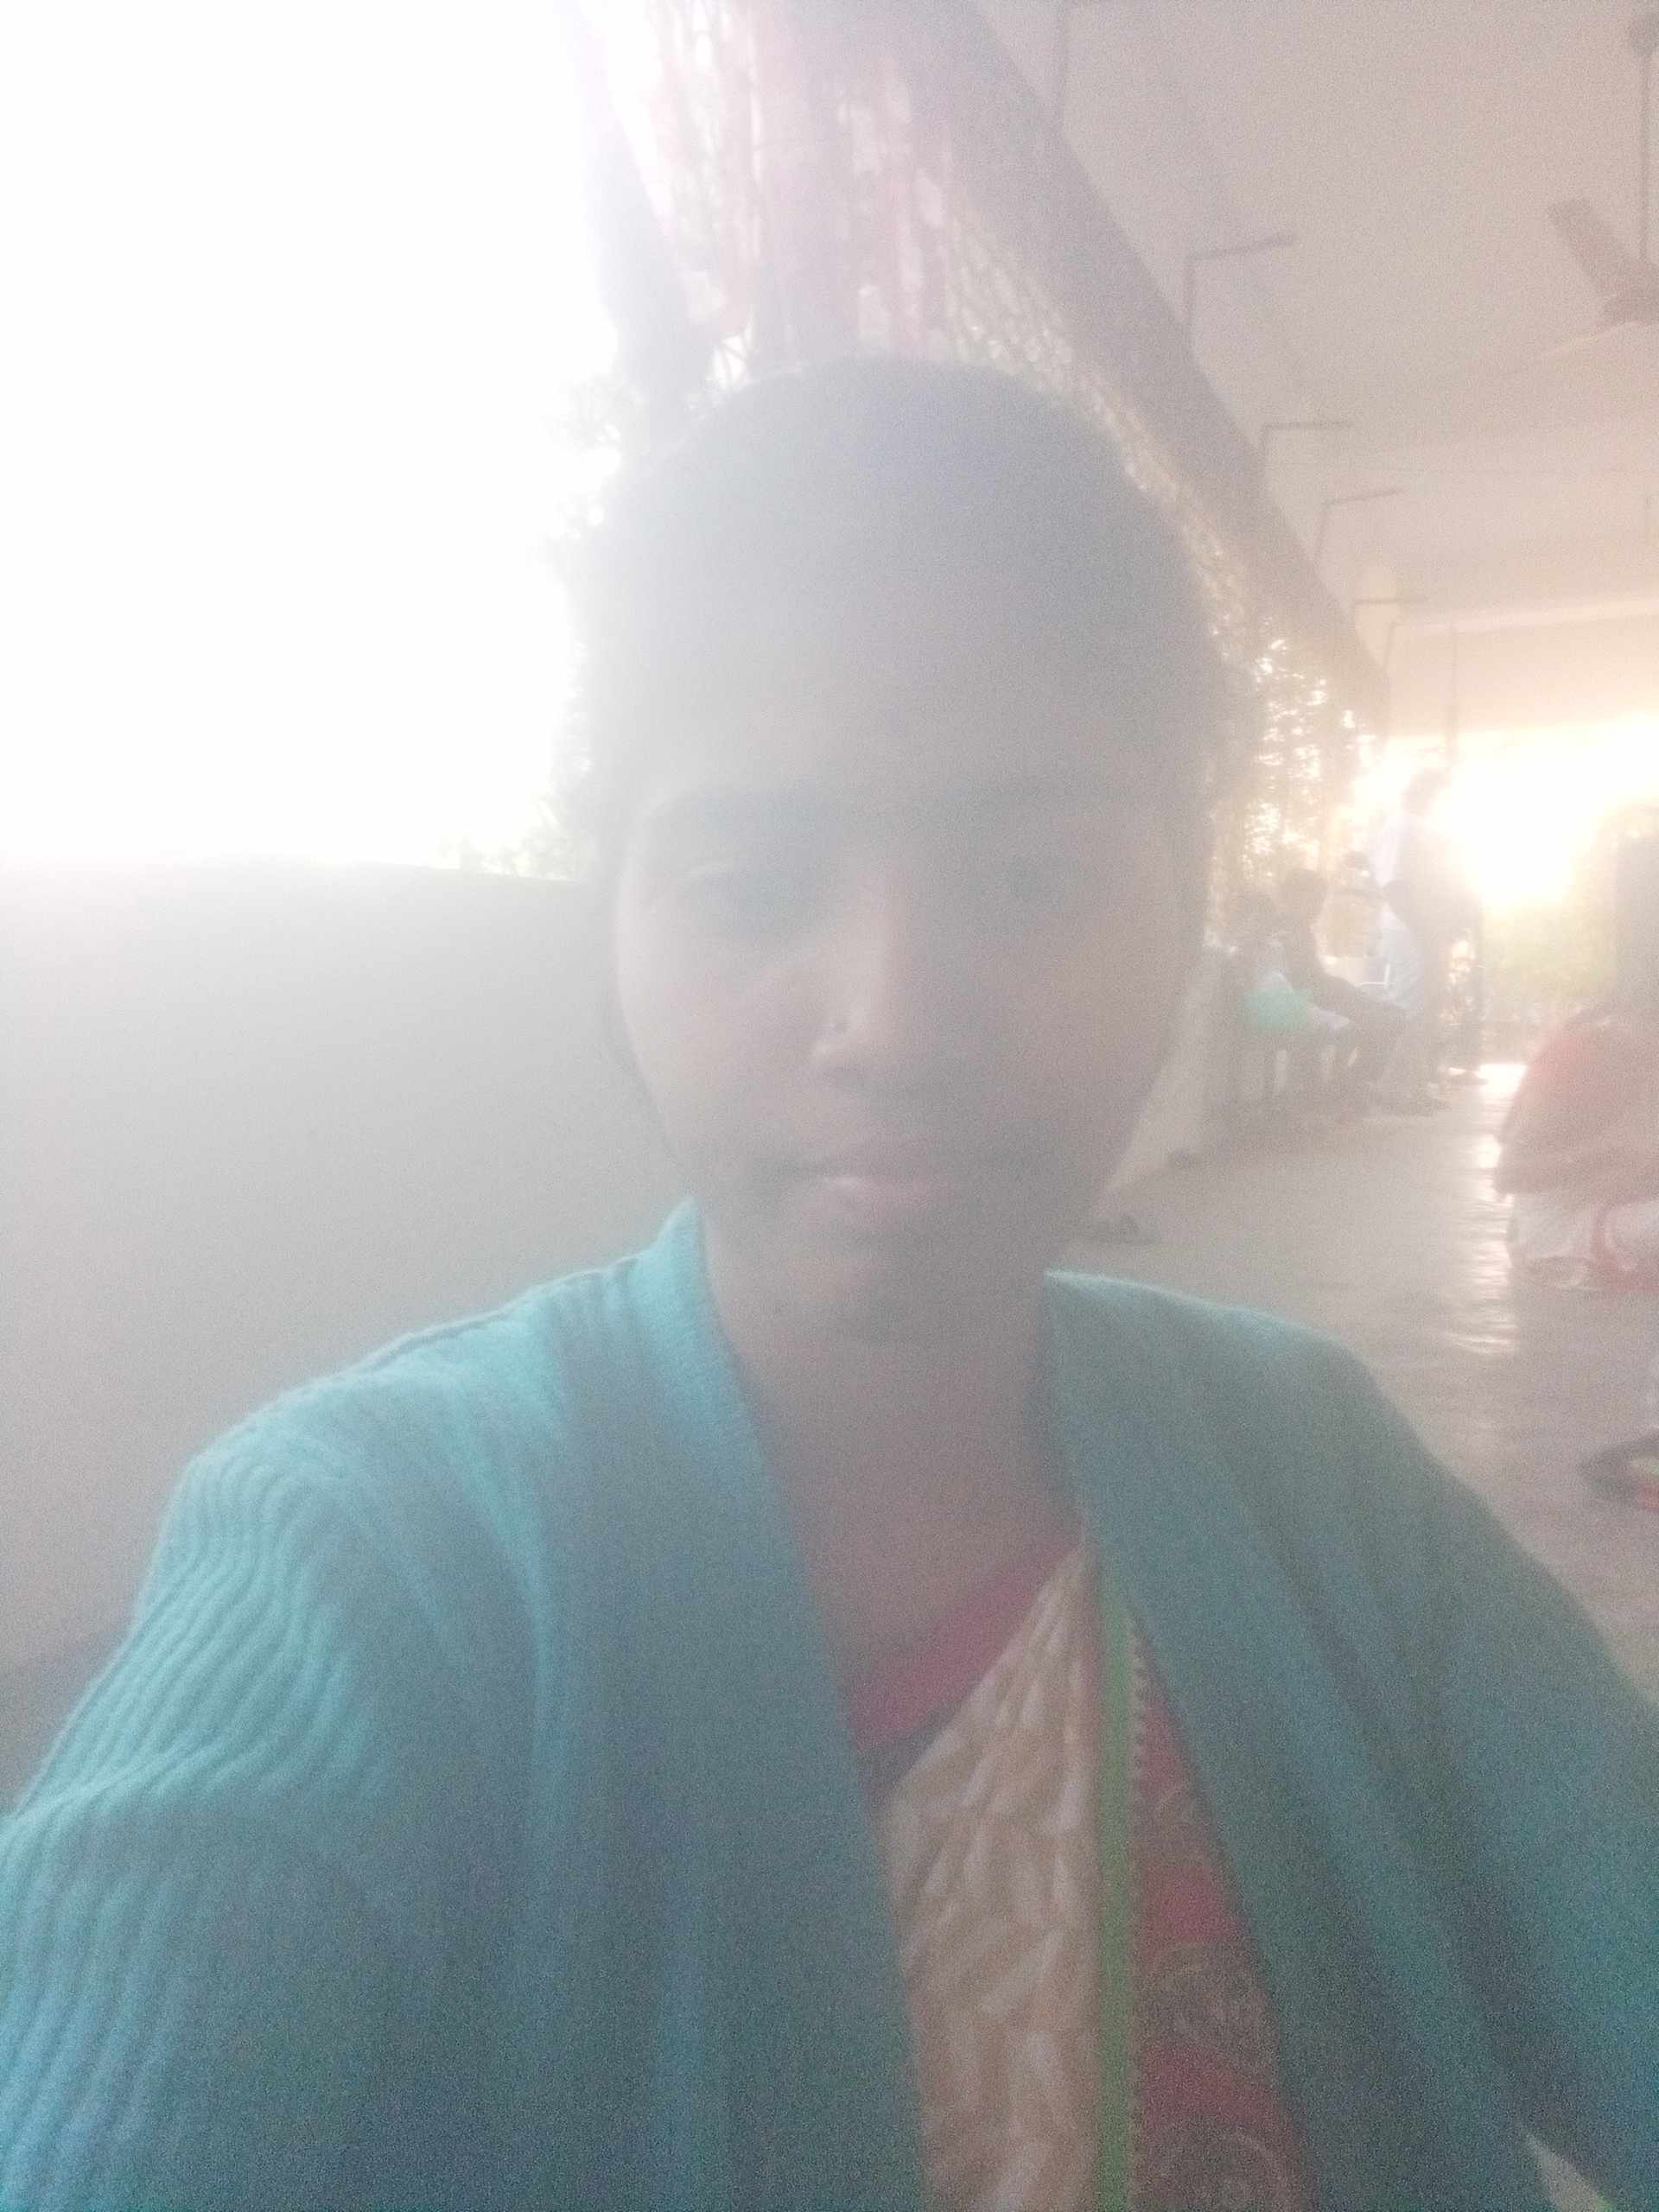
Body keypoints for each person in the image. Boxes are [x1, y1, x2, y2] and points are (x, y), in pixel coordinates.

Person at [3, 360, 1656, 2212]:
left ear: (1187, 912)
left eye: (1030, 877)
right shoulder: (370, 1551)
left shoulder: (1312, 1473)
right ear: (612, 929)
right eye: (750, 886)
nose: (892, 1019)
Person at [1495, 979, 1659, 1288]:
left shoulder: (1636, 1051)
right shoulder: (1580, 1057)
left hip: (1625, 1200)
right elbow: (1508, 1175)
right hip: (1562, 1227)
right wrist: (1612, 1151)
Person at [1369, 763, 1474, 1107]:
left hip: (1431, 931)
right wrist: (1425, 931)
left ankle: (1411, 1087)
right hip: (1411, 930)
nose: (1439, 801)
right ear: (1423, 792)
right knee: (1410, 1007)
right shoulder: (1400, 828)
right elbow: (1394, 887)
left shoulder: (1424, 829)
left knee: (1428, 1009)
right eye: (1437, 792)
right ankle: (1392, 1089)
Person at [1275, 864, 1408, 1097]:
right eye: (1315, 900)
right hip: (1309, 1000)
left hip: (1326, 993)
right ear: (1294, 896)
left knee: (1393, 1017)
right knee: (1383, 1021)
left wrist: (1343, 990)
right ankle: (1347, 1085)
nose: (1319, 908)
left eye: (1321, 901)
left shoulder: (1302, 930)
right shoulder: (1280, 930)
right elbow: (1294, 981)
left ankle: (1351, 1082)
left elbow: (1315, 976)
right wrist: (1337, 993)